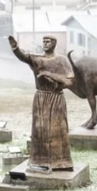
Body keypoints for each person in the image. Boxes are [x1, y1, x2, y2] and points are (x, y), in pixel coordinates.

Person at [8, 34, 74, 172]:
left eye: (48, 41)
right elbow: (24, 57)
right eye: (44, 41)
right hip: (41, 98)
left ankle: (60, 162)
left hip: (56, 98)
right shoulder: (37, 59)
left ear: (54, 43)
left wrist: (51, 76)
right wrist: (15, 48)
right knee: (40, 129)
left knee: (57, 129)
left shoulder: (62, 60)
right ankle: (39, 160)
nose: (45, 44)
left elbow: (70, 81)